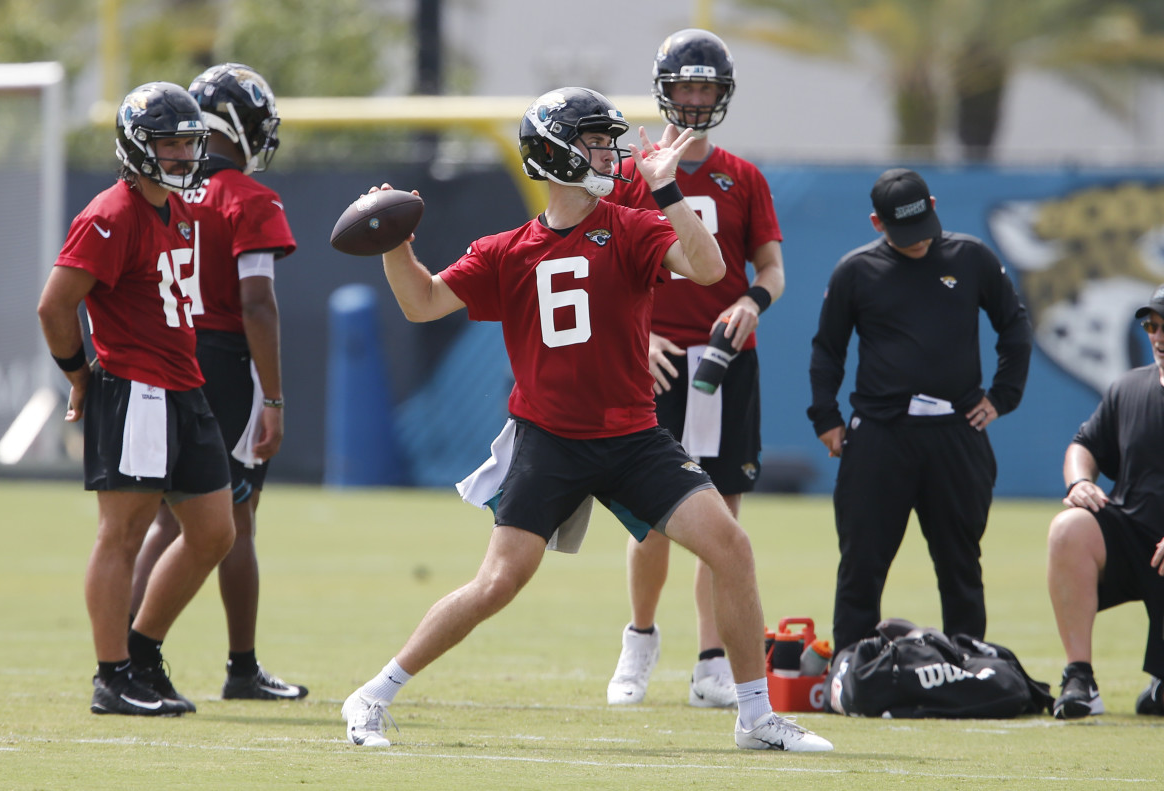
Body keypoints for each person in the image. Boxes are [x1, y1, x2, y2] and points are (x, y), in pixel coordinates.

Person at [340, 87, 832, 752]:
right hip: (550, 438)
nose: (612, 152)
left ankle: (754, 714)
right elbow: (422, 303)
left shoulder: (631, 224)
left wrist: (666, 191)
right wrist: (394, 242)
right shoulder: (506, 249)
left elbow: (711, 266)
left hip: (633, 434)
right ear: (556, 153)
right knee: (498, 582)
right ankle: (373, 693)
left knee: (730, 547)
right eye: (596, 141)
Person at [36, 82, 235, 716]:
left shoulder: (170, 207)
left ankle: (143, 654)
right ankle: (111, 675)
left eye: (188, 142)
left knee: (213, 532)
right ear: (136, 147)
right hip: (136, 389)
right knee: (121, 534)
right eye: (170, 144)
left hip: (183, 385)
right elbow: (55, 304)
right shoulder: (111, 213)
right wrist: (78, 373)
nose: (182, 155)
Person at [603, 28, 784, 709]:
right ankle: (640, 639)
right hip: (653, 364)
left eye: (707, 86)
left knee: (722, 518)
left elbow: (771, 268)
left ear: (723, 92)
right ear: (664, 89)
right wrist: (635, 337)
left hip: (726, 361)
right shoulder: (633, 172)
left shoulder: (743, 176)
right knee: (649, 519)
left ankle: (712, 659)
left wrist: (750, 302)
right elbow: (603, 264)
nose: (696, 98)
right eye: (686, 85)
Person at [128, 63, 306, 702]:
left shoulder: (162, 192)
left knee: (165, 521)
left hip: (163, 356)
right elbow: (257, 303)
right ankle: (234, 666)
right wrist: (277, 397)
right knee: (232, 520)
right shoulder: (249, 200)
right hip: (224, 362)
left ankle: (121, 658)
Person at [807, 168, 1032, 654]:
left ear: (932, 205)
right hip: (880, 434)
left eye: (922, 228)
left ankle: (971, 666)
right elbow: (828, 349)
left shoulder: (970, 257)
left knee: (960, 563)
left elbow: (1014, 328)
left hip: (957, 430)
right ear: (876, 223)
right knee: (862, 562)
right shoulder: (856, 270)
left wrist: (1002, 397)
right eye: (901, 233)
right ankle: (851, 666)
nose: (916, 243)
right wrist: (825, 417)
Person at [1047, 285, 1164, 719]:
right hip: (1134, 539)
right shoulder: (1129, 388)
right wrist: (1079, 481)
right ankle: (1080, 677)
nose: (1158, 336)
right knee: (1069, 527)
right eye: (1152, 325)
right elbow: (1084, 445)